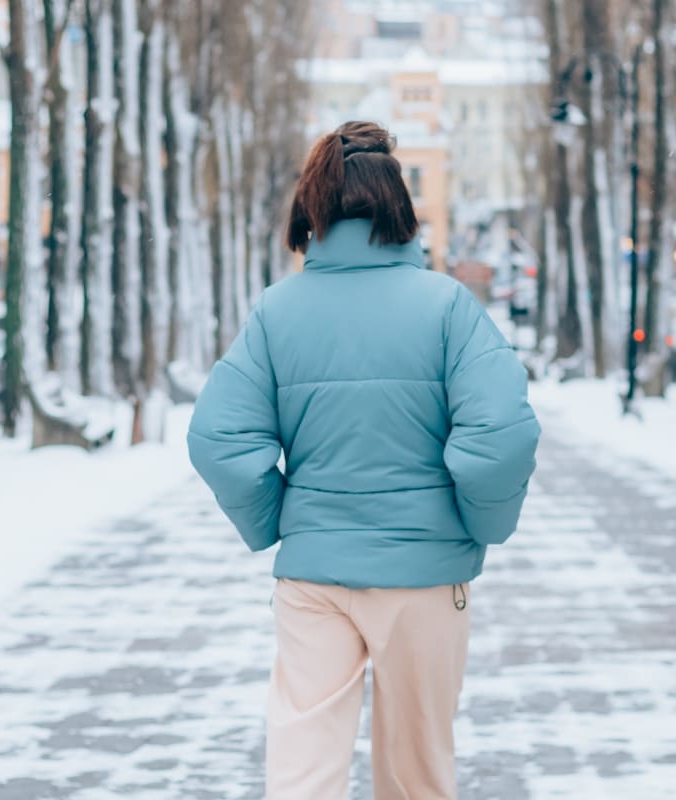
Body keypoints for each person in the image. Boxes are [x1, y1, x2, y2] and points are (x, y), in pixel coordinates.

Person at [187, 121, 540, 799]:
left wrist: (279, 519)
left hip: (313, 578)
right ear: (400, 210)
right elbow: (502, 436)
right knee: (416, 773)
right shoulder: (448, 309)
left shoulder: (276, 312)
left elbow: (217, 438)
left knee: (303, 770)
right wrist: (478, 524)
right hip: (425, 578)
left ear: (311, 210)